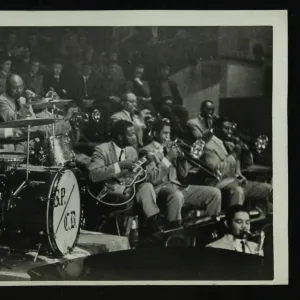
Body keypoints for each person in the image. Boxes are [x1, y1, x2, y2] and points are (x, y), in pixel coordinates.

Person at [141, 117, 222, 228]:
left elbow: (183, 175)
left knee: (215, 193)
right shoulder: (147, 150)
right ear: (155, 133)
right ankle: (174, 234)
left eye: (169, 133)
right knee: (177, 196)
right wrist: (168, 158)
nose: (168, 137)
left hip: (178, 187)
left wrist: (183, 159)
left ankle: (208, 229)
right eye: (164, 133)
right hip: (160, 190)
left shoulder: (172, 147)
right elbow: (153, 179)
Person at [88, 120, 164, 236]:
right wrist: (120, 165)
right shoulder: (102, 150)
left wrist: (146, 164)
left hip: (128, 192)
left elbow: (135, 177)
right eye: (131, 134)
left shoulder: (132, 151)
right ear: (120, 136)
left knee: (147, 186)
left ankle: (154, 226)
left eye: (134, 133)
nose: (135, 137)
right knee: (144, 195)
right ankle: (153, 231)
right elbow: (93, 175)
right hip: (108, 194)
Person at [188, 116, 273, 216]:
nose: (229, 132)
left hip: (238, 181)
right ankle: (234, 223)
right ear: (217, 129)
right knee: (238, 191)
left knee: (269, 189)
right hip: (220, 183)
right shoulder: (208, 145)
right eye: (226, 128)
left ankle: (265, 223)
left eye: (231, 129)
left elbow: (248, 164)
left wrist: (246, 151)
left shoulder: (229, 144)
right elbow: (217, 170)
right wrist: (235, 154)